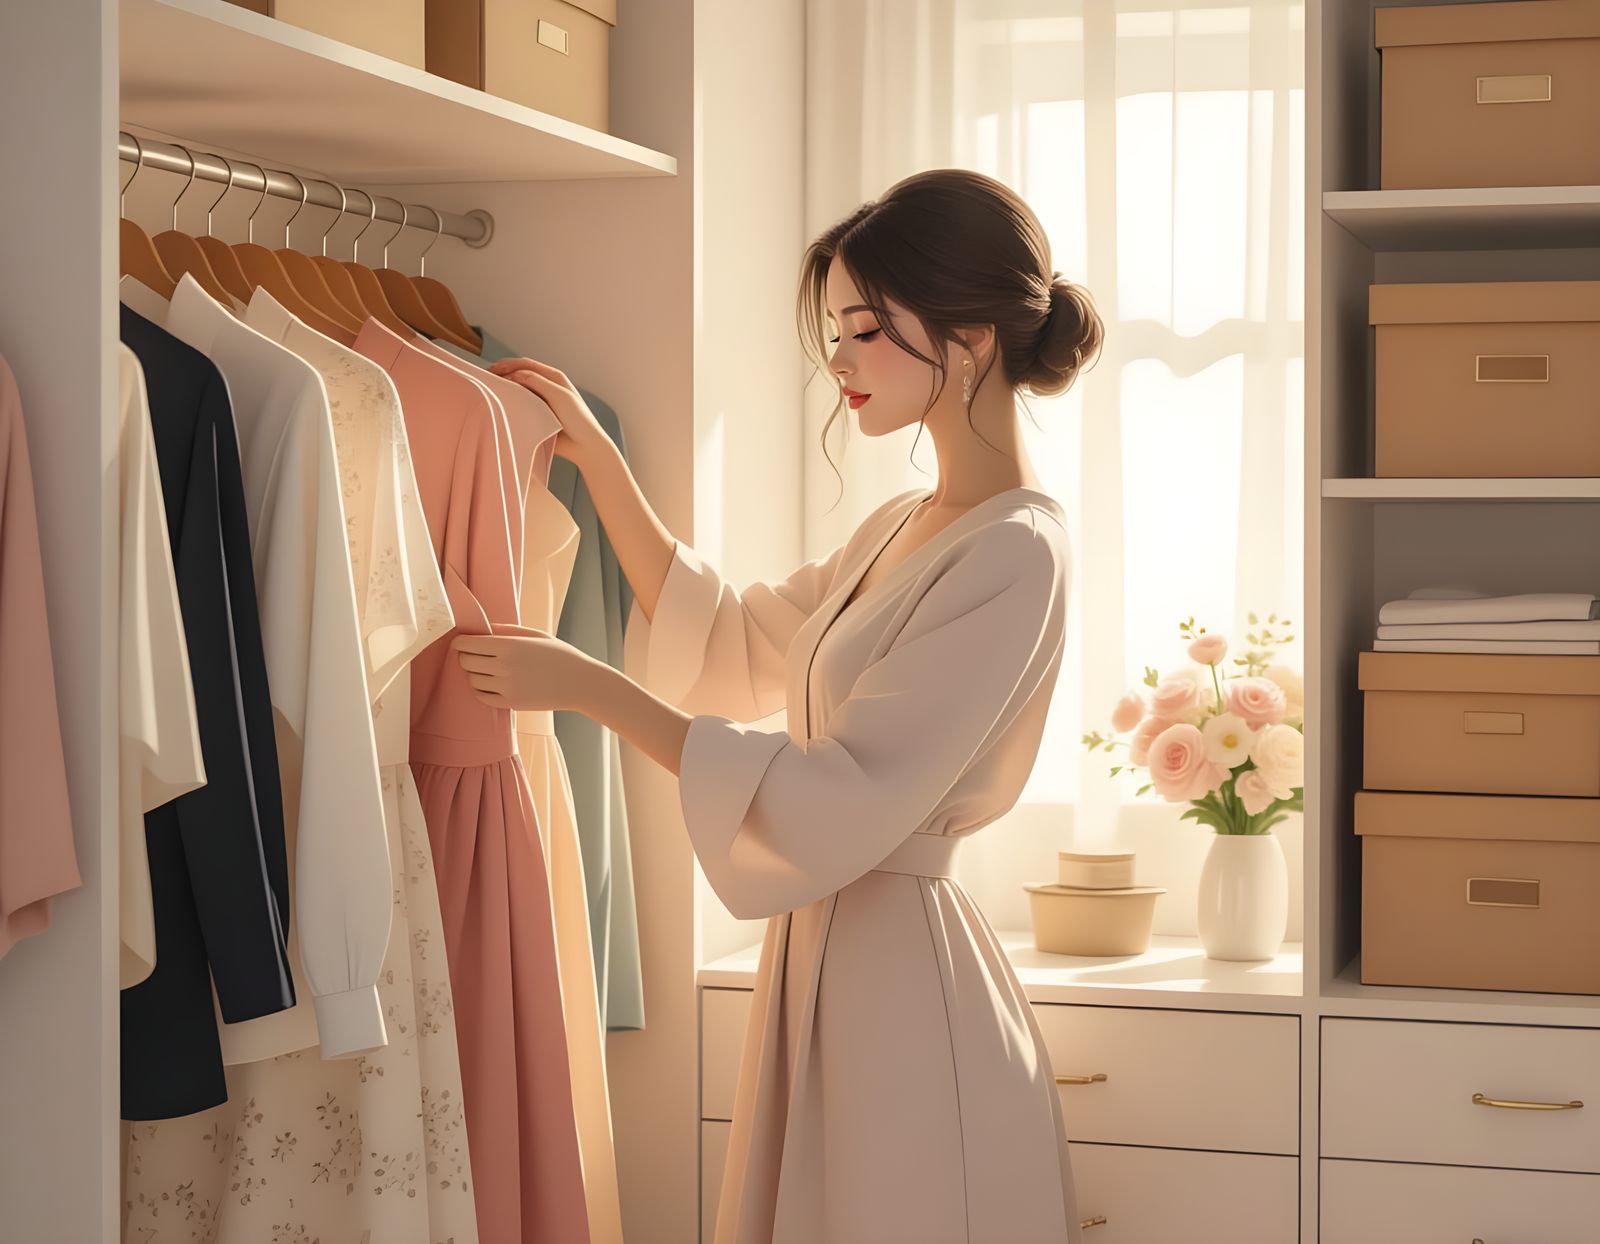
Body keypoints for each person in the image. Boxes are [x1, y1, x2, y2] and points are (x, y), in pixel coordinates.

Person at [453, 168, 1105, 1244]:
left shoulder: (1014, 551)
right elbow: (744, 643)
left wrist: (593, 690)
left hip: (905, 988)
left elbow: (837, 790)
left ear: (972, 336)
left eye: (867, 329)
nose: (839, 359)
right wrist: (601, 463)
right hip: (839, 957)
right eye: (838, 332)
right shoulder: (908, 522)